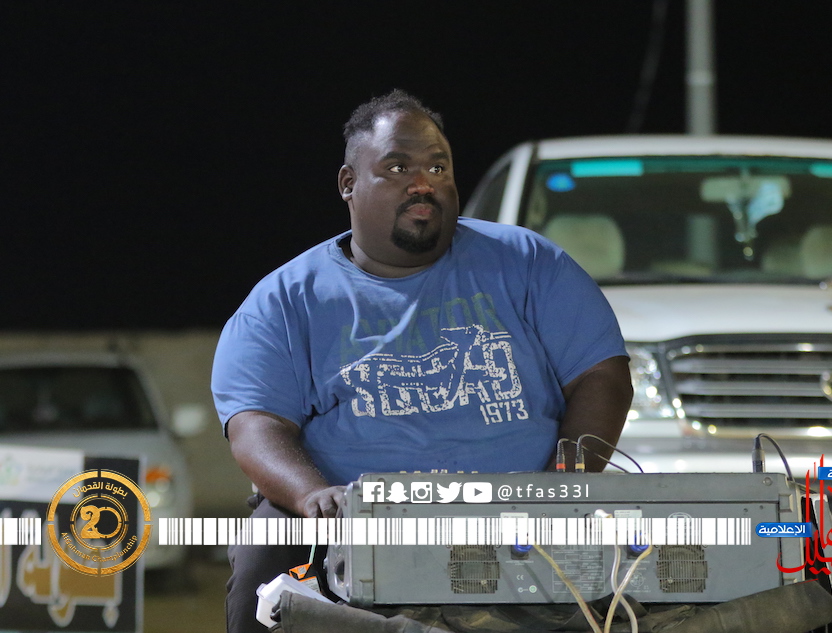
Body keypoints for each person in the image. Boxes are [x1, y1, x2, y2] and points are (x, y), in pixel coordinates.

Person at [211, 89, 633, 632]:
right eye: (398, 168)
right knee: (263, 558)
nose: (423, 183)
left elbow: (601, 374)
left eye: (438, 167)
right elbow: (255, 424)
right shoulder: (286, 300)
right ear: (348, 183)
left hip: (520, 508)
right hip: (352, 515)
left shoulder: (529, 262)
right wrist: (311, 493)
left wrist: (562, 485)